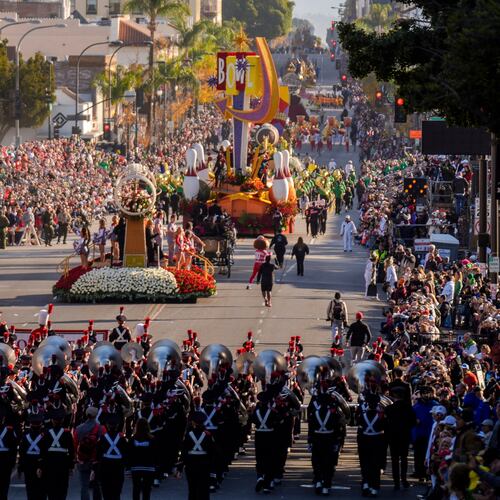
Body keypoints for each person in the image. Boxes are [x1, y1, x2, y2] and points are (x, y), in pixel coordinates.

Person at [384, 388, 416, 490]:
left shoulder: (389, 408)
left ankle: (396, 482)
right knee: (404, 458)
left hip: (393, 437)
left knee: (394, 459)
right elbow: (413, 422)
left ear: (394, 396)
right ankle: (404, 479)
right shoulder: (409, 408)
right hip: (404, 436)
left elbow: (385, 423)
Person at [40, 408, 75, 500]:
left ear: (52, 420)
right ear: (62, 420)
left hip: (49, 464)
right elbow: (71, 450)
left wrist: (41, 465)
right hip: (63, 463)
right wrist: (71, 466)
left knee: (51, 487)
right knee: (62, 488)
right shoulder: (67, 433)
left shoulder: (46, 432)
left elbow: (42, 451)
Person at [180, 411, 215, 500]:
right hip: (204, 464)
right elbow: (212, 451)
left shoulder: (188, 434)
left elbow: (184, 451)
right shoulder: (208, 435)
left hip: (191, 464)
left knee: (192, 489)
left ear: (193, 422)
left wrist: (180, 466)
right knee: (204, 489)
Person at [74, 407, 105, 500]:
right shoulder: (101, 428)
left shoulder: (78, 429)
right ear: (96, 415)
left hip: (83, 459)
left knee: (84, 486)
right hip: (96, 460)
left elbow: (75, 445)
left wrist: (76, 457)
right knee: (97, 485)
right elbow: (104, 444)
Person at [95, 414, 128, 500]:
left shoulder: (102, 438)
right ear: (117, 426)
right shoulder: (122, 438)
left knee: (106, 492)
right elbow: (126, 453)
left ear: (107, 426)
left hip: (105, 466)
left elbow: (98, 454)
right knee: (116, 492)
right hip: (118, 467)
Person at [128, 418, 158, 500]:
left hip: (136, 467)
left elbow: (129, 454)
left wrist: (128, 467)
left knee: (136, 489)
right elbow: (156, 454)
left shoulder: (132, 439)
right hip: (149, 467)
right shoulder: (152, 439)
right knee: (147, 491)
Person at [0, 406, 17, 500]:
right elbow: (13, 446)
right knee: (4, 483)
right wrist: (13, 460)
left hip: (5, 458)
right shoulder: (9, 430)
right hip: (5, 459)